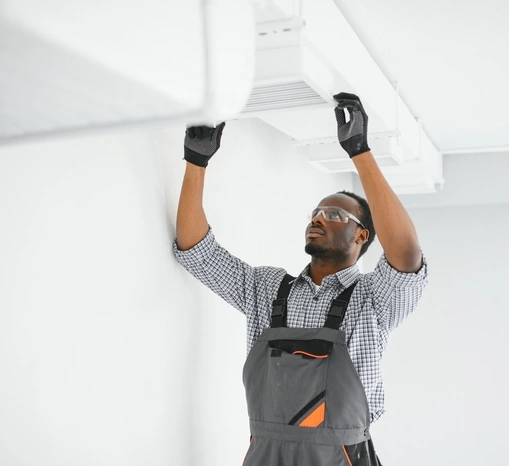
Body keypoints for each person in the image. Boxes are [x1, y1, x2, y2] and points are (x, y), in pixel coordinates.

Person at [174, 92, 428, 465]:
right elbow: (196, 250)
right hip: (266, 453)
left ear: (362, 236)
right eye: (315, 212)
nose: (318, 218)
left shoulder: (373, 299)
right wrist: (196, 162)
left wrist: (359, 151)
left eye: (334, 214)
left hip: (337, 456)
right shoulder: (266, 289)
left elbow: (405, 254)